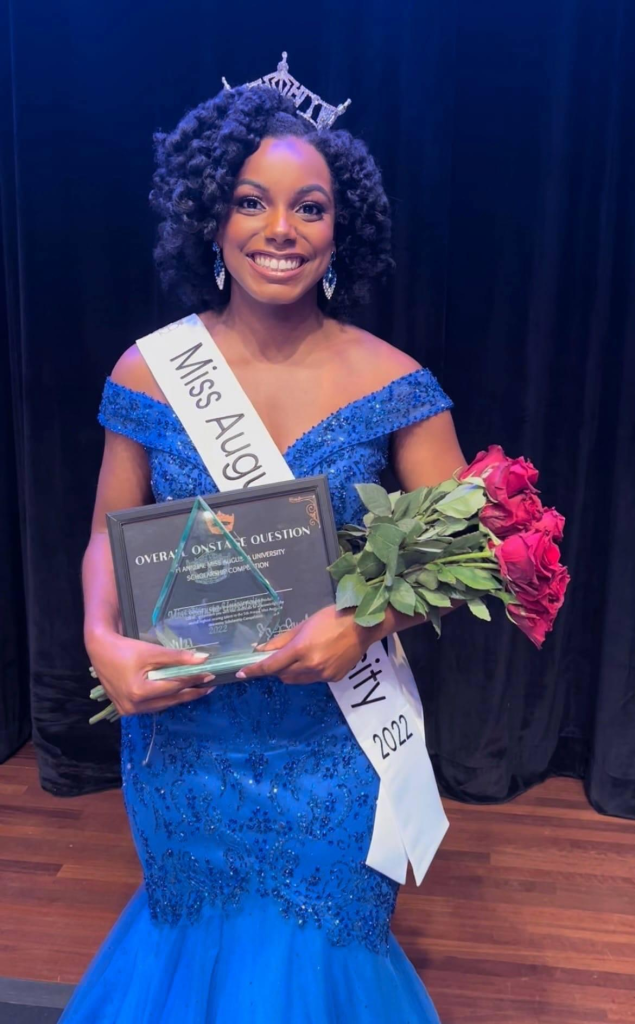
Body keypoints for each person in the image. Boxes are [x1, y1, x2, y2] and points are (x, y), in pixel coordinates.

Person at [60, 69, 466, 1024]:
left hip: (334, 734)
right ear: (211, 218)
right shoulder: (152, 369)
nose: (279, 228)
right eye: (251, 201)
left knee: (320, 953)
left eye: (308, 206)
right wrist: (100, 639)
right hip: (185, 730)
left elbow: (466, 558)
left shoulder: (396, 380)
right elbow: (100, 539)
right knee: (193, 941)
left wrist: (368, 625)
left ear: (340, 229)